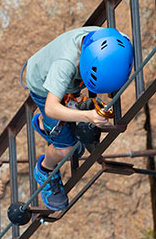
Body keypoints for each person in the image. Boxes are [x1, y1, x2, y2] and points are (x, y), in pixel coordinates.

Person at [24, 26, 133, 210]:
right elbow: (51, 107)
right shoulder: (65, 64)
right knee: (69, 149)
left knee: (74, 137)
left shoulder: (119, 42)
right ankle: (45, 169)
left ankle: (46, 122)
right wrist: (87, 116)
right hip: (43, 85)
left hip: (67, 82)